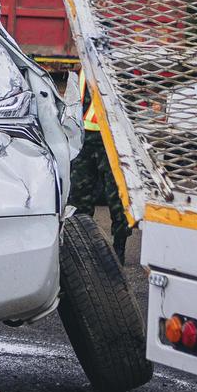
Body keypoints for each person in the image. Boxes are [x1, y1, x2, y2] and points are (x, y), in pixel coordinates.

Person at [70, 77, 131, 262]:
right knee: (79, 197)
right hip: (84, 138)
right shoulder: (83, 63)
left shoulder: (107, 61)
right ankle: (82, 249)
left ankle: (119, 251)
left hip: (111, 138)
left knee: (116, 197)